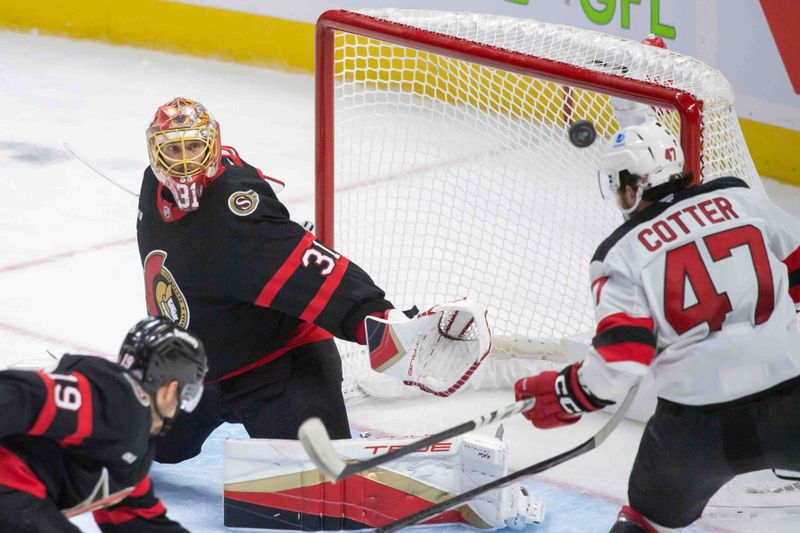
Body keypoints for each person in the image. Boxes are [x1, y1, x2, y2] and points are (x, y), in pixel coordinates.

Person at [514, 121, 800, 532]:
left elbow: (622, 361)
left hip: (694, 430)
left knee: (645, 522)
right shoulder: (740, 198)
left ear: (631, 187)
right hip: (791, 402)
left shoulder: (618, 253)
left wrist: (567, 392)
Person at [137, 97, 419, 463]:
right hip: (197, 370)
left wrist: (380, 322)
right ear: (155, 154)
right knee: (142, 446)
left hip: (277, 368)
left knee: (317, 476)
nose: (186, 160)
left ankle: (344, 433)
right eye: (174, 149)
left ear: (212, 145)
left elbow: (317, 272)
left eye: (194, 145)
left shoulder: (236, 208)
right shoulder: (152, 188)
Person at [0, 316, 208, 533]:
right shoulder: (116, 399)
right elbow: (21, 396)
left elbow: (141, 523)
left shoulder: (129, 447)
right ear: (170, 389)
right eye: (187, 391)